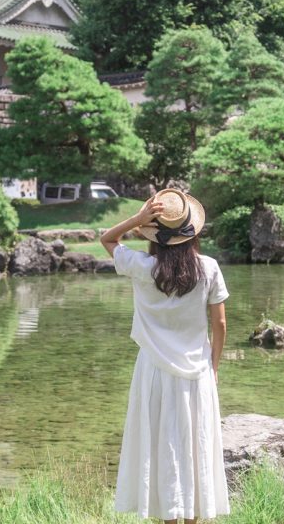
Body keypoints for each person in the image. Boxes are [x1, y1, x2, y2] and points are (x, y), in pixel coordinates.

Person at [100, 188, 230, 524]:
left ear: (153, 235)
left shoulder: (142, 267)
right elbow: (220, 324)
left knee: (162, 447)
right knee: (194, 447)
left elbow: (107, 240)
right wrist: (213, 367)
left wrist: (135, 221)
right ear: (191, 232)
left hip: (154, 372)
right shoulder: (208, 268)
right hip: (198, 371)